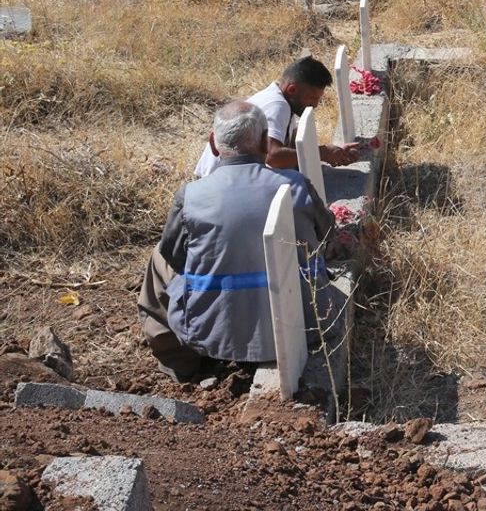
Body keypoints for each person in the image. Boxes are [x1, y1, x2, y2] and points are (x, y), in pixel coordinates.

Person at [138, 101, 338, 381]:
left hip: (211, 337)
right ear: (264, 142)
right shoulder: (295, 185)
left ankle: (181, 363)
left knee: (160, 260)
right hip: (307, 326)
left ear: (213, 143)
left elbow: (176, 258)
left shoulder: (191, 195)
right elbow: (327, 234)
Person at [193, 56, 359, 178]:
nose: (315, 105)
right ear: (292, 90)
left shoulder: (286, 103)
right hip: (217, 179)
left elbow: (293, 148)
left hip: (231, 176)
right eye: (312, 98)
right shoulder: (276, 106)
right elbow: (273, 156)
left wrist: (332, 151)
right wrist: (322, 153)